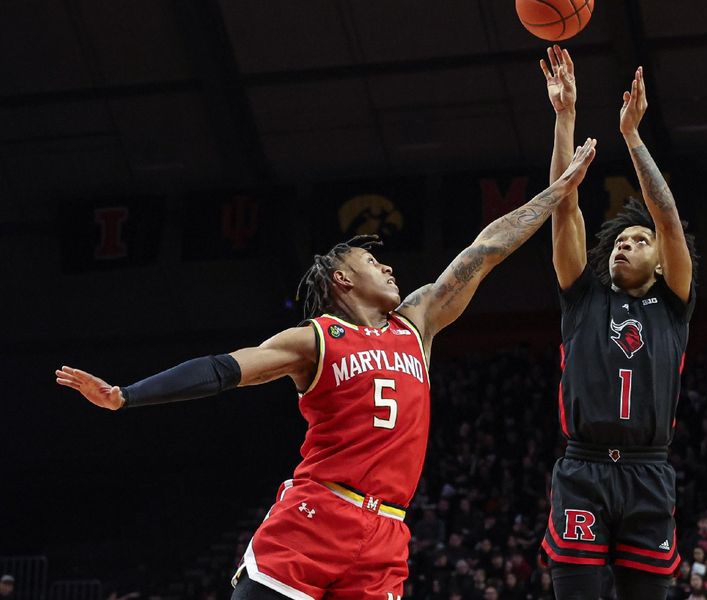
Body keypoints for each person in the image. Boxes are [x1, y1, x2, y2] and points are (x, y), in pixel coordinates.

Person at [55, 138, 598, 600]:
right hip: (315, 516)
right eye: (370, 261)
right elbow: (223, 369)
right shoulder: (314, 339)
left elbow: (487, 249)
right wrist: (127, 396)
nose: (388, 266)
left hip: (386, 533)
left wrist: (558, 191)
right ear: (342, 280)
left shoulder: (417, 324)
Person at [538, 45, 698, 599]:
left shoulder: (674, 301)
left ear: (660, 259)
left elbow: (669, 220)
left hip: (649, 472)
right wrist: (564, 119)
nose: (624, 247)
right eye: (619, 241)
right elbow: (564, 208)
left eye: (638, 241)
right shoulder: (584, 297)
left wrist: (632, 137)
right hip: (583, 470)